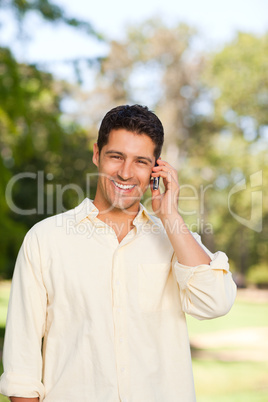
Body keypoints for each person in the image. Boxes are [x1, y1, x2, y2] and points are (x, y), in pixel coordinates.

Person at [0, 104, 237, 402]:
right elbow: (22, 367)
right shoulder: (45, 240)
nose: (125, 172)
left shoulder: (175, 239)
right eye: (116, 156)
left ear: (156, 169)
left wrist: (171, 216)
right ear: (97, 154)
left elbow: (216, 302)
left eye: (140, 161)